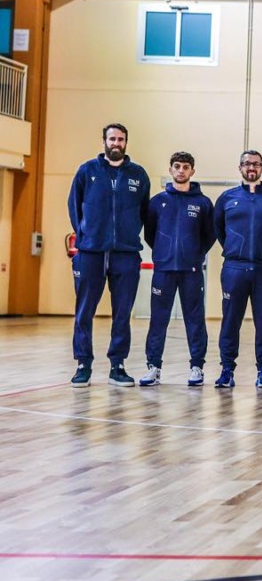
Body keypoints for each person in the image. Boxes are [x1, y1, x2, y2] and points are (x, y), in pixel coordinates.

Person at [68, 122, 150, 388]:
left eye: (121, 139)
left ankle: (118, 365)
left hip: (125, 253)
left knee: (122, 312)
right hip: (91, 251)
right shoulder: (87, 171)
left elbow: (145, 212)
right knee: (84, 311)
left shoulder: (138, 175)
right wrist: (85, 237)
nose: (116, 143)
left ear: (126, 142)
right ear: (104, 141)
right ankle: (83, 364)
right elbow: (74, 207)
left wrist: (130, 235)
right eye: (112, 139)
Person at [139, 151, 215, 387]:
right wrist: (164, 254)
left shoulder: (202, 203)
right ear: (170, 170)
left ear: (192, 171)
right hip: (163, 271)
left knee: (195, 319)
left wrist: (193, 254)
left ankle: (196, 367)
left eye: (185, 167)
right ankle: (153, 367)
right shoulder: (157, 202)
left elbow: (209, 236)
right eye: (177, 166)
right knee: (158, 320)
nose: (181, 170)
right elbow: (150, 234)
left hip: (191, 271)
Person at [212, 150, 262, 389]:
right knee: (230, 321)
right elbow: (219, 231)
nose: (251, 167)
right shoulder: (226, 198)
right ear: (240, 167)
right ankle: (226, 370)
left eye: (255, 164)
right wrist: (237, 252)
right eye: (246, 163)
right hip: (234, 268)